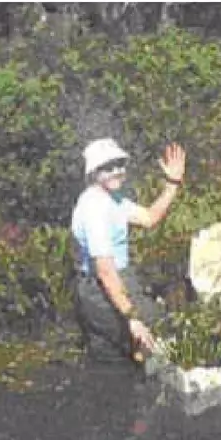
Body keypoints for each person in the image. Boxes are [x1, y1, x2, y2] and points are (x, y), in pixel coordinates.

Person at [70, 138, 187, 363]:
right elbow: (105, 271)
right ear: (93, 172)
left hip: (116, 280)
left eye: (119, 165)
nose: (116, 171)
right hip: (101, 287)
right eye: (107, 168)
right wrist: (132, 317)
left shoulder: (114, 199)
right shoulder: (94, 209)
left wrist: (172, 182)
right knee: (154, 334)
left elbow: (149, 218)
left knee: (123, 355)